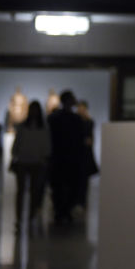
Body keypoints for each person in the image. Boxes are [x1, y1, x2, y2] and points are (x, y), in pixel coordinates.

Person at [11, 100, 50, 232]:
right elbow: (17, 144)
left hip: (36, 162)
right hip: (24, 162)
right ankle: (20, 218)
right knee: (22, 192)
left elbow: (46, 146)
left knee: (34, 192)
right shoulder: (24, 127)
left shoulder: (42, 128)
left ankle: (30, 217)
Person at [47, 90, 85, 225]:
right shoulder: (73, 119)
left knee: (63, 187)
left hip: (62, 158)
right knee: (63, 187)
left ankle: (62, 211)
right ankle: (63, 211)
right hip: (64, 158)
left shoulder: (56, 118)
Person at [74, 100, 99, 210]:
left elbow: (91, 139)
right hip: (77, 154)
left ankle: (81, 202)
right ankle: (77, 202)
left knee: (83, 181)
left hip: (84, 154)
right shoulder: (77, 121)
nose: (80, 110)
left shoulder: (89, 122)